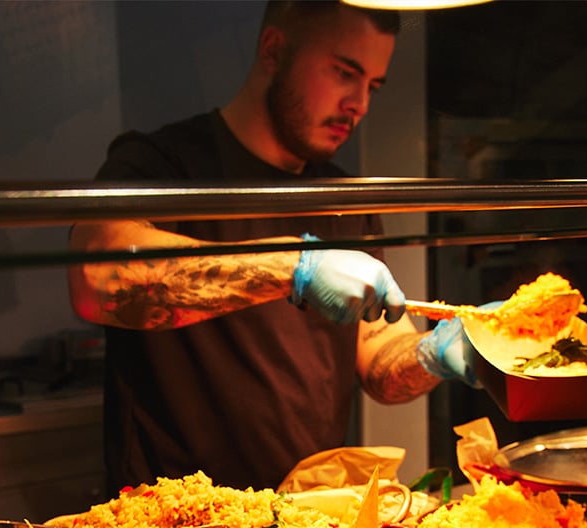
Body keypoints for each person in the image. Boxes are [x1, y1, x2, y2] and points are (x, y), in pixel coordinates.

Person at [69, 0, 474, 494]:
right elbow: (97, 279)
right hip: (169, 519)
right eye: (345, 73)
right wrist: (295, 266)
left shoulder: (345, 200)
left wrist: (436, 353)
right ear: (274, 50)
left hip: (307, 514)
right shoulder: (161, 164)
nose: (359, 104)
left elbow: (379, 360)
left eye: (372, 86)